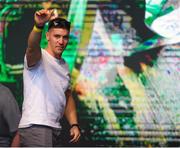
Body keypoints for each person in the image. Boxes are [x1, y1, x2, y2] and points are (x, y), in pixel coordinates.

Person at [18, 9, 81, 146]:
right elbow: (31, 47)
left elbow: (67, 95)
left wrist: (74, 124)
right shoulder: (39, 56)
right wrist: (38, 26)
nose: (61, 41)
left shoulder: (64, 65)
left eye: (65, 37)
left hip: (54, 127)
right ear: (47, 36)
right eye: (56, 36)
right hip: (37, 125)